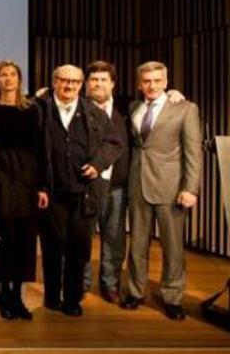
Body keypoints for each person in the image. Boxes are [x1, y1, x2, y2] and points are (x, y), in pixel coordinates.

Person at [37, 64, 122, 317]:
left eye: (75, 82)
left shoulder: (93, 112)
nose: (69, 86)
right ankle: (52, 296)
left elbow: (114, 142)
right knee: (52, 247)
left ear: (80, 84)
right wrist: (39, 185)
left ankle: (73, 299)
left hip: (84, 192)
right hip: (51, 192)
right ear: (54, 82)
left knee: (79, 248)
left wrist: (97, 165)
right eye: (64, 80)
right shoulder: (40, 109)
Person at [121, 61, 202, 321]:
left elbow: (193, 153)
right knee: (137, 246)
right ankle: (135, 292)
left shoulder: (185, 109)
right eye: (146, 81)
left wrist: (190, 188)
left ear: (166, 82)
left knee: (173, 248)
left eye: (157, 80)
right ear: (139, 84)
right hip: (138, 185)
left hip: (171, 188)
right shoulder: (134, 108)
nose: (151, 85)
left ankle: (173, 298)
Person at [0, 60, 48, 320]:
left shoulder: (33, 108)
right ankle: (1, 295)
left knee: (24, 239)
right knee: (4, 238)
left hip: (27, 177)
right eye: (3, 75)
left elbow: (40, 147)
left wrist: (42, 186)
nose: (8, 79)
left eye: (13, 75)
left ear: (19, 79)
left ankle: (17, 296)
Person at [81, 60, 130, 304]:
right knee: (82, 237)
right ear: (87, 84)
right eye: (94, 80)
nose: (98, 84)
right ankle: (80, 284)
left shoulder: (128, 109)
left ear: (112, 83)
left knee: (114, 237)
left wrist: (173, 94)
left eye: (103, 80)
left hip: (117, 186)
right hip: (86, 185)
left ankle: (110, 284)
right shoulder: (78, 108)